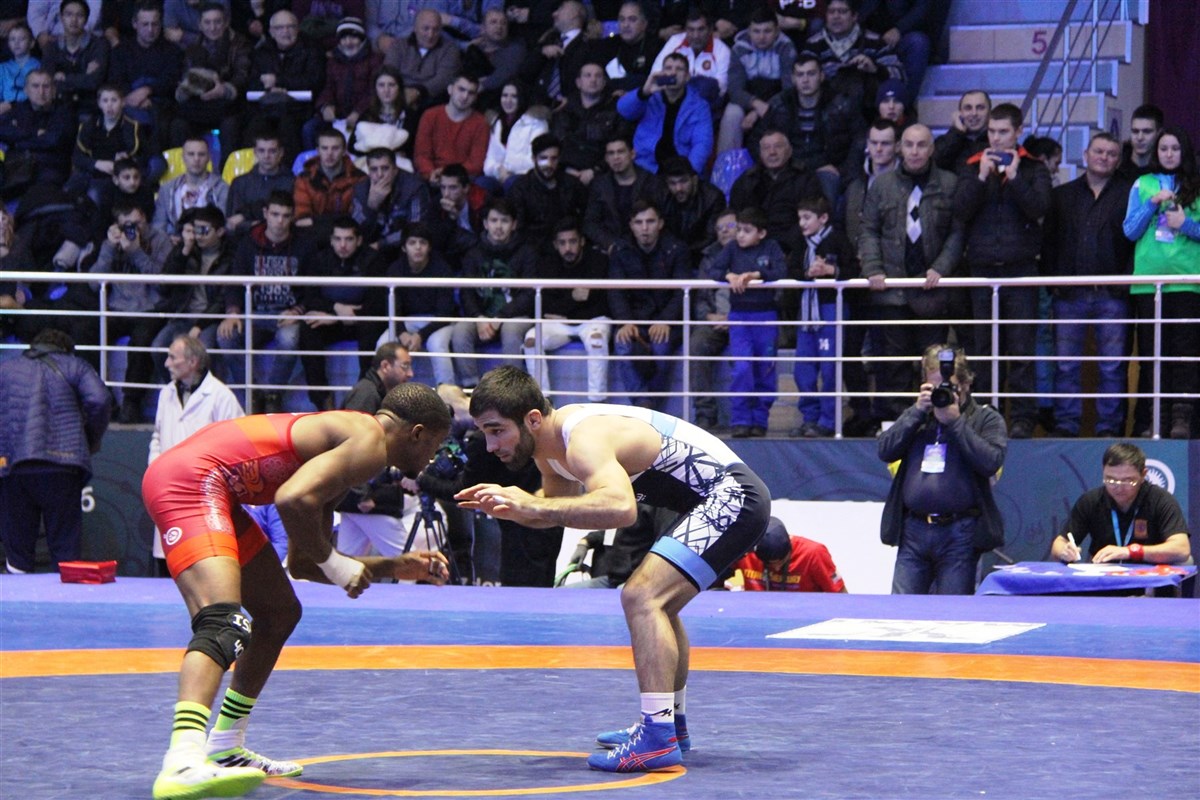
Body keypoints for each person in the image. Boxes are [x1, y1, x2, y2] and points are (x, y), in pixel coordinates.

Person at [143, 382, 451, 800]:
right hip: (191, 481)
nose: (432, 457)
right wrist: (338, 564)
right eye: (435, 445)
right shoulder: (369, 439)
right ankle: (181, 761)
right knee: (222, 622)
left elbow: (304, 562)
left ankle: (225, 746)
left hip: (207, 483)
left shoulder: (344, 451)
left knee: (278, 612)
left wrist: (391, 566)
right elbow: (291, 500)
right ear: (416, 433)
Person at [455, 366, 771, 772]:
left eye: (497, 430)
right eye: (485, 432)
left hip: (732, 495)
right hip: (718, 499)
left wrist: (531, 505)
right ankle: (670, 724)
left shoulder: (582, 437)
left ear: (532, 419)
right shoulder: (549, 453)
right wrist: (514, 508)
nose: (490, 445)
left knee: (642, 597)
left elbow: (621, 508)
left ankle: (657, 736)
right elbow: (564, 512)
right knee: (659, 605)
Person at [955, 103, 1052, 439]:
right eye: (991, 132)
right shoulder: (972, 166)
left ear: (1018, 132)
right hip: (982, 270)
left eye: (1003, 132)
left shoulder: (1034, 168)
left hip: (1021, 270)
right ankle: (986, 414)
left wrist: (1015, 178)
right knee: (984, 350)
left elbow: (1040, 208)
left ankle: (1023, 417)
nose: (995, 138)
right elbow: (959, 211)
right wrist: (982, 177)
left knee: (1022, 350)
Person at [877, 345, 1007, 595]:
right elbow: (885, 450)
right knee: (900, 609)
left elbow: (991, 461)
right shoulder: (919, 417)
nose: (941, 393)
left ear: (966, 384)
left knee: (952, 611)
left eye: (949, 387)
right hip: (914, 530)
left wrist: (956, 422)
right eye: (934, 387)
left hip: (959, 532)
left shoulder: (986, 419)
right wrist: (916, 412)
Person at [859, 123, 962, 422]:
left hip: (932, 292)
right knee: (892, 364)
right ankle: (897, 424)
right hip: (891, 291)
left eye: (921, 145)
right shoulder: (881, 185)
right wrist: (873, 268)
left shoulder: (949, 183)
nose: (915, 151)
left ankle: (933, 422)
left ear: (932, 149)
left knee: (933, 364)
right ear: (900, 148)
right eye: (909, 144)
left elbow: (957, 233)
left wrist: (941, 267)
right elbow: (868, 230)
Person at [1041, 132, 1133, 438]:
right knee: (1065, 365)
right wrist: (1054, 283)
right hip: (1070, 294)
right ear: (1085, 154)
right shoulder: (1062, 195)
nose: (1104, 157)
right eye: (1099, 151)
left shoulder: (1129, 194)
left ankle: (1109, 429)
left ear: (1118, 160)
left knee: (1112, 367)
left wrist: (1125, 283)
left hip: (1113, 294)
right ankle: (1066, 426)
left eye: (1111, 153)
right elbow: (1049, 242)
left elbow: (1135, 243)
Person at [0, 329, 111, 574]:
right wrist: (89, 438)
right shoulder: (75, 365)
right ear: (67, 350)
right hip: (63, 465)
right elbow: (99, 400)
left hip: (13, 465)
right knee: (65, 551)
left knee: (17, 554)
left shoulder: (6, 368)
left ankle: (15, 595)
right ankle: (66, 595)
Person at [1121, 126, 1200, 440]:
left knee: (1184, 355)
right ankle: (1157, 418)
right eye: (1164, 148)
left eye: (1175, 148)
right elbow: (1129, 231)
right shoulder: (1143, 183)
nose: (1169, 154)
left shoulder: (1196, 184)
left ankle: (1183, 420)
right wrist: (1152, 203)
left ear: (1185, 152)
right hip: (1149, 283)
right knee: (1153, 355)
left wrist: (1186, 224)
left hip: (1188, 282)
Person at [148, 335, 244, 575]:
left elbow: (238, 444)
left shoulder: (221, 396)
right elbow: (157, 436)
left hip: (204, 494)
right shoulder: (166, 393)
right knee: (168, 562)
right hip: (168, 488)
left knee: (203, 563)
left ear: (192, 362)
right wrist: (155, 469)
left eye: (173, 358)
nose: (167, 363)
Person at [88, 199, 174, 423]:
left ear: (145, 219)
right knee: (85, 331)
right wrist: (109, 248)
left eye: (138, 223)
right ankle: (102, 398)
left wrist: (136, 252)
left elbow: (163, 283)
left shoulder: (160, 240)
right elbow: (94, 283)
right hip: (117, 308)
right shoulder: (111, 242)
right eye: (128, 225)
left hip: (150, 308)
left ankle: (131, 402)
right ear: (117, 225)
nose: (134, 229)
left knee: (142, 340)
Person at [336, 342, 422, 561]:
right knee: (410, 562)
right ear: (385, 366)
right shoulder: (367, 394)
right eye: (405, 366)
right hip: (366, 498)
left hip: (358, 497)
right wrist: (361, 493)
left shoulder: (372, 392)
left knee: (346, 566)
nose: (410, 373)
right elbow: (351, 443)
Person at [706, 206, 786, 438]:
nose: (740, 235)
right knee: (742, 368)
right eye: (738, 229)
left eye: (747, 231)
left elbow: (781, 271)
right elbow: (714, 269)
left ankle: (760, 419)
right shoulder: (731, 248)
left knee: (765, 369)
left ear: (761, 233)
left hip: (766, 316)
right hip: (739, 317)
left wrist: (757, 275)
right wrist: (728, 276)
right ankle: (740, 420)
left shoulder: (771, 247)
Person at [442, 198, 538, 388]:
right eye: (494, 220)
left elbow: (528, 295)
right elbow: (467, 292)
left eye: (504, 221)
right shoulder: (473, 253)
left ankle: (513, 390)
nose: (498, 226)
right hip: (482, 318)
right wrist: (478, 317)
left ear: (514, 224)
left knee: (511, 331)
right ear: (485, 223)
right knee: (460, 331)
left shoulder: (527, 252)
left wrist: (501, 316)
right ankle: (471, 389)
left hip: (515, 316)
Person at [296, 216, 387, 410]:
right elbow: (310, 297)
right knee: (308, 328)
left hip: (362, 321)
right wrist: (336, 310)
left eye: (349, 239)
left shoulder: (373, 260)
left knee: (371, 326)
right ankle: (322, 400)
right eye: (338, 239)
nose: (343, 245)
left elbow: (377, 304)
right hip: (331, 321)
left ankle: (364, 398)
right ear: (331, 240)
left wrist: (342, 316)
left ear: (359, 240)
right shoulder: (319, 259)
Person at [608, 200, 692, 409]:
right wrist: (625, 322)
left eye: (650, 221)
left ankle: (648, 404)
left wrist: (666, 321)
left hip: (666, 321)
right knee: (622, 343)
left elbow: (682, 292)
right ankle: (643, 403)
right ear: (631, 225)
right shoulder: (620, 250)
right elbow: (615, 292)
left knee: (661, 345)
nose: (644, 228)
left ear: (660, 223)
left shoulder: (677, 249)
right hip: (633, 320)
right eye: (639, 222)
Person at [1050, 442, 1192, 565]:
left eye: (1128, 480)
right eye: (1110, 479)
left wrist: (1130, 552)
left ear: (1143, 475)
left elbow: (1182, 549)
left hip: (1149, 576)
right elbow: (1059, 542)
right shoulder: (1091, 500)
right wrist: (1064, 551)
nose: (1118, 487)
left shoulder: (1160, 500)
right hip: (1104, 577)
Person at [787, 194, 858, 438]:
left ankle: (828, 421)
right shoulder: (800, 242)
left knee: (830, 368)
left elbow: (853, 270)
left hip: (830, 309)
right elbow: (791, 270)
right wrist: (807, 273)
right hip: (806, 312)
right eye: (800, 218)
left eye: (807, 218)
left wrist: (831, 270)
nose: (802, 223)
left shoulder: (838, 239)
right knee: (803, 370)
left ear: (824, 218)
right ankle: (810, 418)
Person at [521, 216, 611, 401]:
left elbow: (603, 304)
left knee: (597, 341)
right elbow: (545, 305)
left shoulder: (598, 261)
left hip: (592, 321)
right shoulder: (548, 264)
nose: (568, 248)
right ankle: (542, 401)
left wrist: (566, 310)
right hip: (561, 324)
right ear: (555, 244)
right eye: (562, 243)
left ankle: (597, 403)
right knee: (531, 340)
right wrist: (573, 298)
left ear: (582, 241)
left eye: (572, 241)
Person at [749, 56, 858, 208]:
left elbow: (859, 140)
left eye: (811, 74)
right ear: (793, 79)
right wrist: (773, 164)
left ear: (821, 76)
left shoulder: (840, 104)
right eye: (800, 75)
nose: (805, 80)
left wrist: (842, 170)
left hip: (828, 168)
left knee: (824, 199)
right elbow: (756, 140)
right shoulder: (780, 104)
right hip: (787, 167)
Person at [171, 2, 253, 163]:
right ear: (200, 25)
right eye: (207, 23)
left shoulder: (240, 43)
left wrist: (224, 90)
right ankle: (183, 172)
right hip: (198, 105)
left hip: (229, 106)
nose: (213, 27)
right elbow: (185, 77)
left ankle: (228, 172)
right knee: (178, 125)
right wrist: (188, 89)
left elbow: (242, 75)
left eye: (217, 22)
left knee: (231, 125)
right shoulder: (193, 46)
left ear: (226, 22)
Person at [617, 52, 713, 176]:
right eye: (668, 68)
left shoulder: (699, 106)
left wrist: (688, 173)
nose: (673, 73)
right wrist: (644, 92)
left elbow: (702, 144)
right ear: (661, 72)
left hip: (681, 169)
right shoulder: (649, 95)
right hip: (646, 166)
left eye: (679, 69)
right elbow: (623, 111)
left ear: (687, 77)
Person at [718, 8, 795, 154]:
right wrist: (755, 105)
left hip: (777, 99)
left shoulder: (786, 48)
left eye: (767, 31)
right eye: (756, 31)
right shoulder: (739, 48)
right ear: (749, 31)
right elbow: (734, 89)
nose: (761, 37)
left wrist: (758, 111)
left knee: (785, 111)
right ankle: (726, 166)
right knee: (732, 114)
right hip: (748, 99)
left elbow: (789, 89)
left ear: (777, 31)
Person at [729, 128, 822, 245]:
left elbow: (812, 218)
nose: (772, 152)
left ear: (789, 151)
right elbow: (734, 215)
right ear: (760, 153)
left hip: (791, 245)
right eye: (766, 148)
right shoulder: (747, 179)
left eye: (778, 146)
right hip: (753, 244)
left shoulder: (805, 178)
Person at [304, 16, 380, 151]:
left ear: (362, 39)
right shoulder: (333, 61)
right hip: (337, 116)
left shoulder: (374, 61)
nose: (348, 42)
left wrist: (358, 112)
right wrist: (326, 106)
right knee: (310, 128)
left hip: (365, 115)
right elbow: (327, 87)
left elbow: (374, 91)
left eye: (353, 38)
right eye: (344, 38)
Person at [689, 208, 734, 431]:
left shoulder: (755, 253)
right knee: (696, 344)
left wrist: (734, 319)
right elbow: (700, 298)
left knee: (746, 350)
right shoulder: (709, 258)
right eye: (719, 228)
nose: (724, 231)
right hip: (714, 320)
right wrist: (709, 316)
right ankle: (705, 415)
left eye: (730, 226)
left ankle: (745, 418)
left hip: (745, 320)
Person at [582, 133, 663, 256]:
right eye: (611, 153)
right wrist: (610, 244)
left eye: (621, 152)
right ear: (606, 158)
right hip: (610, 249)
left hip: (646, 249)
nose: (616, 157)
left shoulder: (651, 183)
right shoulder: (599, 185)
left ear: (632, 154)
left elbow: (661, 218)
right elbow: (590, 223)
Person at [552, 59, 629, 187]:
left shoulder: (615, 109)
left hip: (602, 175)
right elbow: (556, 141)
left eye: (598, 76)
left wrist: (595, 171)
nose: (593, 80)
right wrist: (564, 168)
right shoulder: (565, 109)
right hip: (564, 172)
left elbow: (621, 144)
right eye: (588, 75)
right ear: (578, 82)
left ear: (604, 83)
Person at [506, 132, 587, 247]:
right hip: (534, 248)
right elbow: (519, 229)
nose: (549, 164)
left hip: (567, 246)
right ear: (533, 159)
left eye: (554, 159)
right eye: (543, 158)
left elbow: (586, 218)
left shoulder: (572, 184)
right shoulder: (520, 188)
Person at [728, 516, 846, 592]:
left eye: (781, 561)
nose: (777, 568)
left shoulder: (814, 554)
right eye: (769, 564)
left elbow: (841, 598)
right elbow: (718, 577)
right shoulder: (744, 551)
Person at [350, 146, 432, 254]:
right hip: (369, 247)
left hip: (405, 250)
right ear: (368, 171)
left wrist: (381, 245)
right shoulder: (361, 189)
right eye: (374, 169)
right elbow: (354, 229)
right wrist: (371, 208)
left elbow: (415, 229)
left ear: (395, 170)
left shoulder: (414, 188)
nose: (380, 174)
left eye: (385, 168)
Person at [413, 73, 489, 181]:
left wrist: (446, 174)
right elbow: (421, 155)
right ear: (450, 89)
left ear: (476, 97)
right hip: (430, 177)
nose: (465, 96)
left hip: (463, 179)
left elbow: (476, 163)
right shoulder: (430, 116)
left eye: (471, 93)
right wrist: (430, 173)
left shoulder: (481, 123)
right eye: (461, 89)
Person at [292, 126, 367, 236]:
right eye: (324, 148)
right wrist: (339, 219)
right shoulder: (304, 179)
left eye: (335, 148)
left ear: (344, 151)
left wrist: (317, 220)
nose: (329, 153)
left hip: (347, 238)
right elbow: (301, 220)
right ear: (318, 151)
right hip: (313, 238)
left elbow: (357, 220)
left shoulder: (359, 178)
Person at [152, 135, 230, 237]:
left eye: (201, 154)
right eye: (191, 154)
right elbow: (158, 227)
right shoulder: (166, 189)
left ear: (209, 157)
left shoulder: (222, 188)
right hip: (174, 243)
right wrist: (168, 239)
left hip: (208, 241)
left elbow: (222, 225)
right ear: (183, 157)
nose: (196, 159)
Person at [40, 0, 110, 113]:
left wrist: (64, 78)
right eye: (69, 14)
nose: (74, 20)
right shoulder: (51, 46)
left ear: (86, 19)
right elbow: (47, 81)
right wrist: (83, 77)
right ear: (61, 18)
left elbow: (94, 81)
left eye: (80, 15)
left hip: (90, 105)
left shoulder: (98, 45)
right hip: (59, 104)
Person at [383, 8, 461, 108]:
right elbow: (389, 73)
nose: (430, 35)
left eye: (436, 30)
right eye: (426, 29)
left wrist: (418, 91)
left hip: (432, 101)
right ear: (415, 28)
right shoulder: (398, 46)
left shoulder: (450, 50)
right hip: (398, 96)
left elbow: (443, 80)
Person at [649, 7, 731, 100]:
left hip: (705, 103)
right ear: (685, 30)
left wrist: (678, 82)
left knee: (706, 86)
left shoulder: (722, 51)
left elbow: (720, 89)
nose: (696, 36)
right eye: (691, 30)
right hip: (672, 99)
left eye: (701, 29)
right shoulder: (675, 42)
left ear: (710, 30)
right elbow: (655, 76)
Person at [482, 81, 549, 191]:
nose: (508, 100)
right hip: (500, 174)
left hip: (526, 176)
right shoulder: (497, 122)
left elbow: (537, 159)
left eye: (514, 96)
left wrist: (507, 168)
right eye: (505, 95)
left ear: (522, 98)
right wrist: (498, 170)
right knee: (481, 183)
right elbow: (490, 160)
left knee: (511, 183)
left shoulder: (536, 123)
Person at [224, 132, 294, 235]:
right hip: (244, 240)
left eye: (272, 151)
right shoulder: (240, 183)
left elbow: (292, 219)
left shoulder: (292, 182)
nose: (266, 156)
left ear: (281, 152)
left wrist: (252, 224)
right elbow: (231, 224)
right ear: (255, 152)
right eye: (261, 151)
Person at [933, 89, 990, 173]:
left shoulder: (998, 142)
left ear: (989, 112)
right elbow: (935, 164)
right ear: (960, 113)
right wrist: (957, 132)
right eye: (968, 108)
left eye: (980, 108)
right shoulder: (946, 141)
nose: (974, 113)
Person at [1115, 104, 1163, 184]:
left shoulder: (1166, 170)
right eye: (1135, 131)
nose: (1140, 137)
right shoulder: (1116, 165)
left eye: (1147, 132)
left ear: (1159, 133)